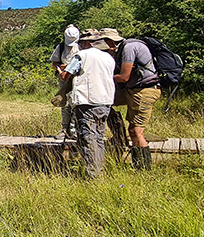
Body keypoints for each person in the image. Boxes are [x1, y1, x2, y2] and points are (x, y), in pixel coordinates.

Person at [58, 30, 116, 179]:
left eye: (81, 42)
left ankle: (92, 175)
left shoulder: (82, 55)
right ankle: (99, 168)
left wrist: (61, 72)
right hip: (105, 101)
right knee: (98, 137)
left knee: (88, 138)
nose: (80, 45)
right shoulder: (108, 57)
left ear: (87, 43)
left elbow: (66, 76)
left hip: (87, 101)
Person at [101, 28, 161, 171]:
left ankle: (143, 168)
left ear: (110, 41)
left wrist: (100, 77)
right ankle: (118, 134)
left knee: (135, 131)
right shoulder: (120, 49)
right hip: (132, 90)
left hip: (144, 91)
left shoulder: (129, 48)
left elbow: (124, 77)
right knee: (102, 101)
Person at [49, 24, 80, 139]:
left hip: (78, 79)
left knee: (76, 103)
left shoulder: (81, 47)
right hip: (64, 80)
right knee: (65, 103)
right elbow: (54, 63)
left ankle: (74, 129)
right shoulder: (61, 47)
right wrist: (60, 70)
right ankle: (65, 129)